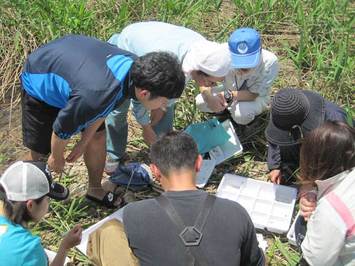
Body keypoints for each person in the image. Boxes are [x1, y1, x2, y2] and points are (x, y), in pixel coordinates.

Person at [20, 34, 185, 207]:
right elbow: (60, 131)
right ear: (144, 93)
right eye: (164, 101)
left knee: (97, 137)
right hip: (40, 78)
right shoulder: (97, 94)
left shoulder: (135, 73)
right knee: (39, 152)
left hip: (76, 72)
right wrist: (57, 157)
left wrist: (84, 142)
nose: (164, 106)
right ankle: (12, 192)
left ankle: (95, 190)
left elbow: (102, 109)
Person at [87, 132, 265, 266]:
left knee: (108, 231)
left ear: (155, 171)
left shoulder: (135, 214)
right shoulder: (235, 212)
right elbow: (256, 262)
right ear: (199, 163)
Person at [105, 21, 231, 173]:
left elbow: (174, 90)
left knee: (165, 103)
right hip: (126, 49)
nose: (209, 86)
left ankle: (162, 150)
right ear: (199, 70)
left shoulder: (205, 54)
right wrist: (145, 127)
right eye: (210, 82)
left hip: (149, 43)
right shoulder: (170, 61)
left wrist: (162, 106)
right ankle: (114, 154)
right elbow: (141, 97)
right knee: (118, 108)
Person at [0, 161, 82, 265]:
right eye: (48, 199)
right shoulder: (28, 249)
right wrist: (65, 247)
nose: (49, 204)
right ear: (31, 205)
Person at [296, 121, 355, 265]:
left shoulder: (331, 211)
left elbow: (315, 261)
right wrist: (312, 190)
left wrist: (314, 219)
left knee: (300, 227)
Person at [196, 27, 279, 126]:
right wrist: (209, 98)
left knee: (242, 114)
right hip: (228, 89)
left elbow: (254, 94)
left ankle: (249, 122)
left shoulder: (269, 62)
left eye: (248, 63)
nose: (242, 68)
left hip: (254, 98)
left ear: (260, 50)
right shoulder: (220, 53)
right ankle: (222, 113)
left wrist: (228, 96)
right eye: (238, 62)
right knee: (201, 101)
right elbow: (203, 78)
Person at [265, 88, 348, 184]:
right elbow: (276, 137)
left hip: (331, 152)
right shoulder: (284, 108)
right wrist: (275, 166)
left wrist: (310, 183)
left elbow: (336, 165)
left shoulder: (335, 124)